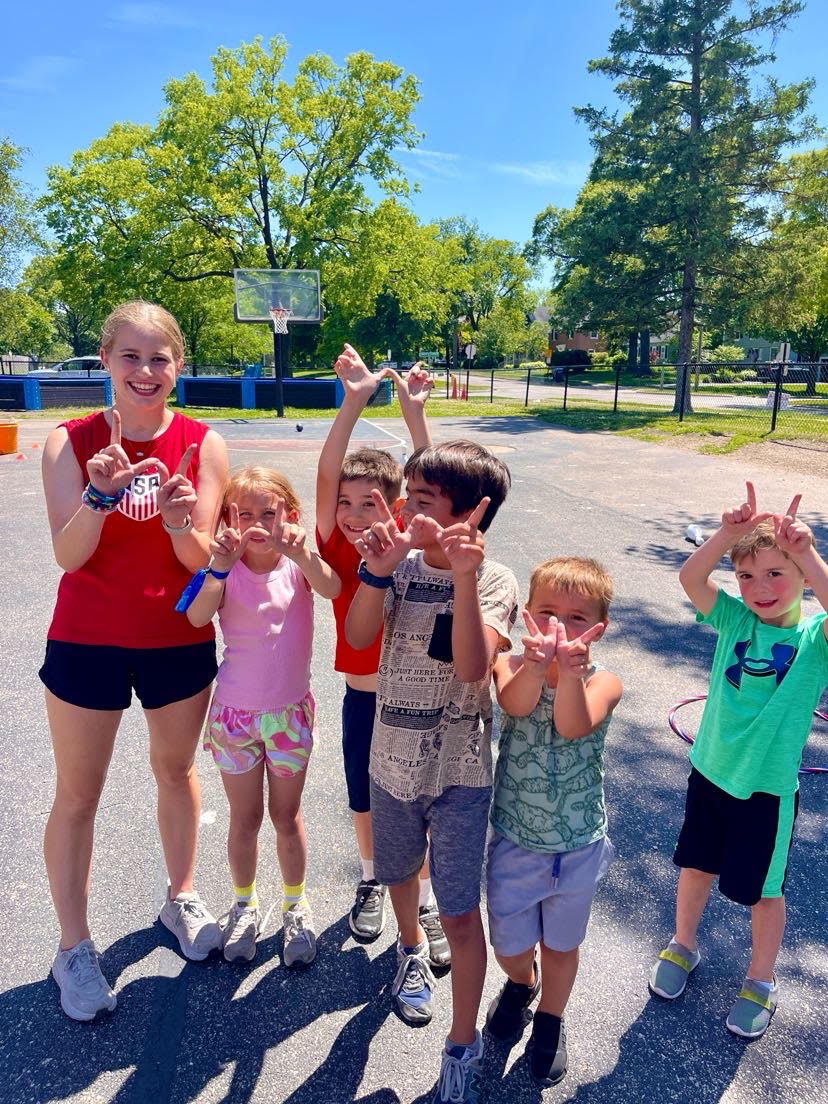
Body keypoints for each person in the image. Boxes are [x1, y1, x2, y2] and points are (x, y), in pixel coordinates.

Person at [40, 300, 229, 1021]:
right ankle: (73, 947)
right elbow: (68, 553)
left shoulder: (202, 443)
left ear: (177, 366)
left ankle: (180, 896)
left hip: (176, 636)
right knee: (78, 794)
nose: (146, 371)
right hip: (86, 637)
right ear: (107, 360)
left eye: (160, 358)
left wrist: (182, 522)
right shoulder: (69, 441)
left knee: (176, 771)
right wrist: (99, 492)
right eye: (131, 356)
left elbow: (204, 560)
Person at [346, 441, 518, 1104]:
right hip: (390, 760)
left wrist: (468, 578)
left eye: (421, 500)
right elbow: (361, 636)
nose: (403, 509)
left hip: (459, 775)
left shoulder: (496, 579)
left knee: (461, 908)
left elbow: (474, 667)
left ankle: (462, 1041)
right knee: (397, 873)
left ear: (472, 514)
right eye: (407, 496)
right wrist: (378, 572)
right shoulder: (401, 565)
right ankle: (410, 951)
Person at [649, 481, 828, 1038]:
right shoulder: (733, 620)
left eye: (776, 573)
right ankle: (683, 945)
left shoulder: (816, 636)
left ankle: (761, 981)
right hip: (709, 772)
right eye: (747, 576)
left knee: (763, 890)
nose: (759, 588)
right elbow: (690, 579)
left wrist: (806, 551)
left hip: (766, 790)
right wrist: (727, 534)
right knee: (695, 866)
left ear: (801, 577)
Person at [315, 345, 448, 966]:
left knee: (422, 803)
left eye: (368, 503)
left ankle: (421, 900)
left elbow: (432, 481)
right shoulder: (341, 550)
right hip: (363, 700)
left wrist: (414, 414)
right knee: (365, 800)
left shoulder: (409, 547)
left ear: (396, 509)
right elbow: (326, 476)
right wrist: (353, 401)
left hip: (418, 706)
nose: (352, 514)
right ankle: (372, 877)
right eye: (345, 504)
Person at [182, 467, 340, 965]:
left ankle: (296, 904)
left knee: (286, 817)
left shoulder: (298, 564)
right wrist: (220, 567)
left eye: (267, 513)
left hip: (289, 717)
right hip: (235, 718)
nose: (256, 523)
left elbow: (332, 587)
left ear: (287, 515)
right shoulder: (223, 566)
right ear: (228, 517)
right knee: (245, 818)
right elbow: (197, 615)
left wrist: (302, 552)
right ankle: (245, 904)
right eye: (243, 513)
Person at [485, 557, 622, 1087]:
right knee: (509, 947)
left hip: (578, 845)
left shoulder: (604, 682)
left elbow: (571, 723)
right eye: (547, 613)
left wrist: (570, 672)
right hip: (517, 841)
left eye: (575, 617)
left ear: (598, 629)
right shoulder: (511, 666)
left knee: (563, 945)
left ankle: (551, 1018)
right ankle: (522, 983)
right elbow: (516, 705)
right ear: (526, 616)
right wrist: (538, 666)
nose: (559, 627)